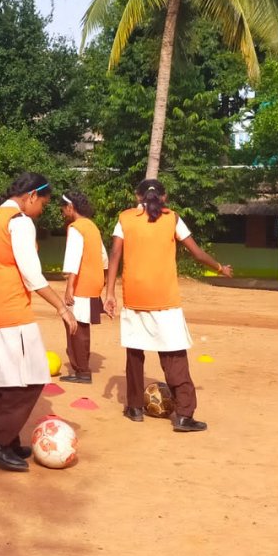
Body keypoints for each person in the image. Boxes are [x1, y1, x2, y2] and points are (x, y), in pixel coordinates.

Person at [104, 178, 233, 432]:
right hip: (165, 299)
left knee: (134, 354)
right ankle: (184, 415)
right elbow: (196, 253)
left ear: (136, 196)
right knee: (174, 356)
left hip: (135, 298)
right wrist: (219, 268)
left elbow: (115, 254)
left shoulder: (125, 218)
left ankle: (134, 408)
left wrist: (109, 293)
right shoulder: (172, 218)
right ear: (164, 197)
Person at [0, 172, 77, 472]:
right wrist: (62, 308)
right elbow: (32, 275)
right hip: (8, 311)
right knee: (32, 378)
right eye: (42, 203)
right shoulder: (19, 222)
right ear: (31, 196)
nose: (42, 210)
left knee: (7, 379)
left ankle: (8, 439)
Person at [59, 190, 109, 384]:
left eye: (63, 209)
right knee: (82, 326)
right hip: (93, 282)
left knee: (74, 325)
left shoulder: (76, 227)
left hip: (81, 284)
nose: (63, 213)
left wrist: (69, 287)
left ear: (71, 207)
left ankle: (82, 371)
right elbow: (103, 256)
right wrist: (102, 280)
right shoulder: (92, 226)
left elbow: (74, 258)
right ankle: (82, 369)